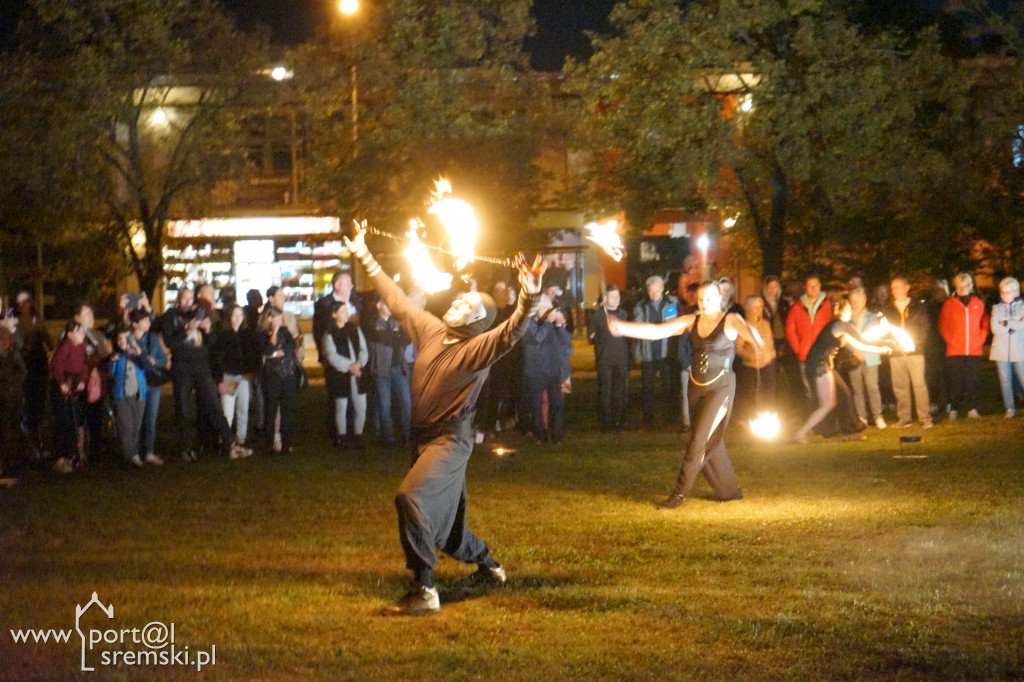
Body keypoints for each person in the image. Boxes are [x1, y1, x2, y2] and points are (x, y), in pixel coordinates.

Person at [343, 225, 545, 617]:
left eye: (467, 304)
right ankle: (490, 568)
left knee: (411, 498)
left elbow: (512, 332)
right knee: (448, 528)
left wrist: (529, 296)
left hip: (449, 443)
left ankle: (425, 590)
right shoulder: (434, 331)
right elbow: (398, 301)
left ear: (479, 320)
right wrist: (366, 255)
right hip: (422, 441)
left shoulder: (477, 348)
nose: (456, 303)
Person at [609, 280, 763, 509]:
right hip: (696, 387)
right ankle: (729, 491)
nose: (704, 303)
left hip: (721, 387)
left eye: (709, 298)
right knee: (711, 441)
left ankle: (679, 493)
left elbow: (749, 332)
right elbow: (658, 330)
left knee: (698, 440)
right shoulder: (693, 320)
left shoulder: (729, 319)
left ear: (720, 297)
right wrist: (622, 328)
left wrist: (754, 336)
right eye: (700, 299)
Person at [161, 288, 252, 461]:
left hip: (202, 368)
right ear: (178, 299)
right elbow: (170, 341)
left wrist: (208, 330)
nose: (188, 301)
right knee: (183, 409)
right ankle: (186, 448)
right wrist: (188, 330)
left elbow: (212, 344)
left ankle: (231, 444)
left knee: (214, 406)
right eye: (184, 298)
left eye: (190, 298)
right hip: (182, 368)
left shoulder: (199, 314)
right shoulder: (171, 316)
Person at [791, 294, 893, 443]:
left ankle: (849, 432)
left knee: (844, 395)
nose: (851, 310)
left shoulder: (841, 327)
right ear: (844, 310)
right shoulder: (840, 324)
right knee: (827, 404)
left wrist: (881, 349)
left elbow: (859, 345)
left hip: (825, 365)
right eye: (849, 308)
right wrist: (885, 339)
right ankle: (800, 434)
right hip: (819, 366)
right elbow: (862, 338)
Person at [882, 277, 934, 428]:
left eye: (898, 287)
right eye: (893, 288)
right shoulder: (888, 309)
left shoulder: (917, 307)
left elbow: (924, 329)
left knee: (919, 386)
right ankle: (904, 418)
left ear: (907, 287)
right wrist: (894, 346)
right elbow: (886, 332)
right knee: (900, 387)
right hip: (897, 354)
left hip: (915, 353)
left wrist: (913, 345)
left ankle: (925, 418)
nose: (895, 290)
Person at [314, 271, 359, 442]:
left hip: (354, 356)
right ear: (337, 285)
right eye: (348, 283)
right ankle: (337, 434)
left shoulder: (355, 303)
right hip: (335, 358)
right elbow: (319, 332)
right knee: (337, 397)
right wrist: (326, 356)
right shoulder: (324, 305)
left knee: (355, 396)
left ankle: (351, 431)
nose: (352, 286)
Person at [938, 273, 989, 419]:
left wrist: (980, 339)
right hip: (955, 350)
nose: (962, 289)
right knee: (956, 380)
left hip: (974, 350)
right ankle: (954, 408)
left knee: (972, 380)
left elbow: (984, 323)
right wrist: (951, 340)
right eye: (959, 287)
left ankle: (972, 408)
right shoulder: (949, 304)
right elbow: (943, 325)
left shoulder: (978, 303)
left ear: (971, 286)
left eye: (965, 286)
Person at [632, 275, 679, 428]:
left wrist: (656, 330)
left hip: (666, 352)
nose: (653, 295)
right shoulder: (641, 306)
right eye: (650, 292)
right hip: (648, 352)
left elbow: (673, 324)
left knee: (667, 386)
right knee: (647, 387)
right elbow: (638, 323)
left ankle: (669, 418)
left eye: (656, 291)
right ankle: (648, 418)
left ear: (662, 289)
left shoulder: (672, 303)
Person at [211, 304, 261, 445]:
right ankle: (225, 440)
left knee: (243, 409)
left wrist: (251, 372)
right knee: (227, 411)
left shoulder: (246, 335)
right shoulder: (222, 336)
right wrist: (220, 379)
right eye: (235, 315)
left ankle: (241, 438)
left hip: (244, 377)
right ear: (229, 317)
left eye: (240, 315)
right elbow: (217, 359)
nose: (238, 318)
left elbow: (252, 356)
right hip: (229, 376)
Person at [523, 304, 573, 444]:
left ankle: (557, 434)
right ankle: (540, 434)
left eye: (550, 306)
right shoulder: (528, 321)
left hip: (553, 370)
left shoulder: (550, 324)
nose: (549, 309)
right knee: (537, 405)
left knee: (557, 403)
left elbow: (567, 346)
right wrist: (549, 322)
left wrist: (560, 326)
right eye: (545, 306)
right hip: (536, 371)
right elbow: (537, 337)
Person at [322, 300, 369, 449]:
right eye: (342, 311)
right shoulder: (329, 334)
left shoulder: (354, 329)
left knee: (361, 406)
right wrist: (350, 367)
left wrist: (359, 363)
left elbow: (363, 348)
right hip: (341, 375)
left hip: (357, 373)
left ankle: (358, 436)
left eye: (346, 311)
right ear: (334, 314)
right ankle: (341, 437)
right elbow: (332, 355)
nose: (346, 314)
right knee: (341, 405)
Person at [367, 299, 412, 447]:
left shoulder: (397, 321)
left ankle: (407, 436)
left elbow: (405, 338)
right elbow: (377, 336)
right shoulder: (372, 322)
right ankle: (389, 438)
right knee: (384, 404)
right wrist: (394, 337)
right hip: (381, 369)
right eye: (386, 303)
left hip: (399, 367)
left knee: (406, 402)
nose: (390, 306)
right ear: (378, 305)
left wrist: (391, 337)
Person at [259, 306, 300, 455]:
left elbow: (291, 346)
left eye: (280, 318)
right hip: (271, 376)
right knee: (271, 409)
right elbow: (267, 351)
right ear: (269, 319)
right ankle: (271, 442)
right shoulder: (262, 334)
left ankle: (286, 442)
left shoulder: (285, 332)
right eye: (277, 318)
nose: (280, 321)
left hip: (287, 374)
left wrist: (277, 353)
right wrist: (274, 334)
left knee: (287, 409)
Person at [587, 285, 629, 430]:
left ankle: (618, 420)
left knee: (619, 390)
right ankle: (605, 421)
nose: (616, 299)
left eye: (618, 296)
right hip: (604, 358)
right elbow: (590, 335)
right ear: (606, 299)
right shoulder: (598, 315)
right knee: (605, 390)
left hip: (621, 358)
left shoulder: (623, 314)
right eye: (613, 297)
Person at [786, 275, 832, 405]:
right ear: (805, 288)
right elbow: (790, 331)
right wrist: (798, 348)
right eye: (810, 286)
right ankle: (814, 414)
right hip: (805, 355)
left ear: (820, 286)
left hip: (823, 354)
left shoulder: (828, 305)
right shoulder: (797, 307)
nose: (813, 288)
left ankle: (827, 414)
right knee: (809, 387)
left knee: (826, 386)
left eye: (815, 285)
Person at [50, 320, 89, 473]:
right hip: (63, 387)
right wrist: (61, 382)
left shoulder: (82, 346)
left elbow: (84, 365)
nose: (83, 334)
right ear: (70, 334)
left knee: (74, 422)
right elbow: (55, 364)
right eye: (79, 331)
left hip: (75, 386)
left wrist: (83, 381)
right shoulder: (66, 345)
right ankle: (61, 458)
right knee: (64, 423)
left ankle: (72, 456)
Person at [129, 308, 167, 465]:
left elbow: (163, 359)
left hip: (152, 383)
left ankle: (149, 452)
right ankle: (135, 453)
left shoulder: (152, 338)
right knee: (136, 420)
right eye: (145, 320)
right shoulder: (128, 340)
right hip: (136, 384)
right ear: (135, 324)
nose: (149, 323)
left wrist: (154, 361)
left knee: (151, 419)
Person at [108, 324, 149, 468]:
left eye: (124, 338)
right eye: (119, 338)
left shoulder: (138, 353)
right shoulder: (116, 356)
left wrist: (137, 352)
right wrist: (114, 360)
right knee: (126, 427)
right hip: (122, 395)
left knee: (136, 427)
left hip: (139, 395)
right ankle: (131, 457)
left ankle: (133, 454)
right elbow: (109, 371)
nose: (121, 341)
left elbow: (147, 366)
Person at [846, 287, 887, 429]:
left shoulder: (872, 317)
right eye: (853, 301)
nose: (855, 304)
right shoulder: (847, 318)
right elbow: (845, 338)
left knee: (872, 387)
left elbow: (875, 337)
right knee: (857, 389)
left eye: (858, 301)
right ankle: (862, 417)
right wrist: (855, 350)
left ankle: (878, 416)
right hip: (854, 357)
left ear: (864, 301)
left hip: (870, 357)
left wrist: (864, 351)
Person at [735, 295, 776, 422]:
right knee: (750, 395)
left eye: (761, 306)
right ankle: (749, 419)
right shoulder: (744, 325)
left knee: (768, 394)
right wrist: (751, 356)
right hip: (751, 366)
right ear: (749, 308)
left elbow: (769, 342)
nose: (759, 309)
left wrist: (772, 354)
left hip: (768, 364)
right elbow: (738, 347)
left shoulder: (766, 323)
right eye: (756, 307)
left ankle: (767, 417)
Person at [990, 276, 1024, 418]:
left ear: (1016, 292)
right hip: (1001, 350)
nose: (1005, 295)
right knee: (1005, 380)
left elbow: (1022, 325)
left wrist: (1005, 323)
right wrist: (1012, 325)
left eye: (1008, 292)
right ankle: (1009, 408)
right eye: (1003, 292)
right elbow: (994, 328)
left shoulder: (1023, 307)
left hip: (1020, 348)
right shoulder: (996, 308)